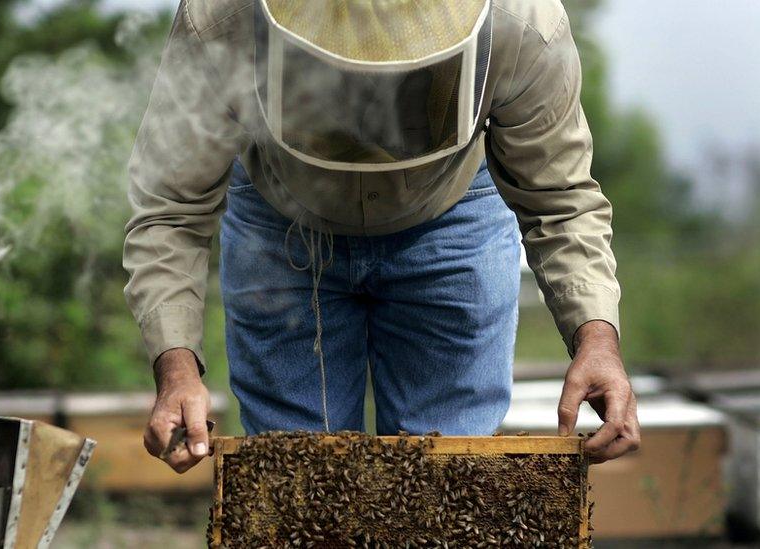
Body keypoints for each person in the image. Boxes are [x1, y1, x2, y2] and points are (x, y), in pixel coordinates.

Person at [123, 0, 641, 474]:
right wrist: (176, 366)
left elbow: (562, 197)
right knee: (299, 478)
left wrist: (596, 338)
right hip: (281, 220)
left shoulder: (523, 24)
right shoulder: (221, 20)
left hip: (452, 212)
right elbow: (170, 205)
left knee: (446, 478)